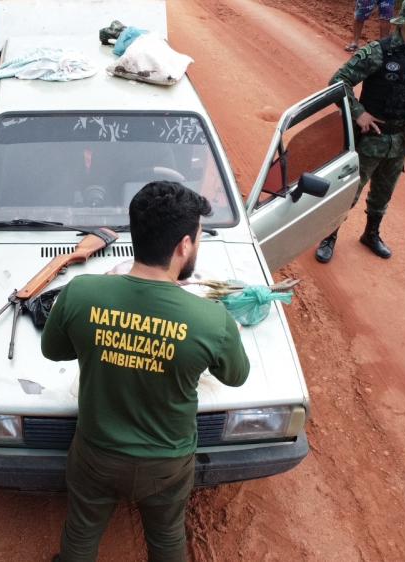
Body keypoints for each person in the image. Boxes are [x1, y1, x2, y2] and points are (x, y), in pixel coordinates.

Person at [42, 181, 250, 562]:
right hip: (167, 464)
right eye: (198, 238)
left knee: (81, 531)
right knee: (168, 535)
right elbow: (236, 376)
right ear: (184, 245)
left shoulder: (81, 292)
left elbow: (53, 350)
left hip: (96, 454)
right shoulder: (211, 319)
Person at [315, 0, 405, 264]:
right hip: (370, 139)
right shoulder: (378, 52)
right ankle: (329, 235)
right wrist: (358, 112)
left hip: (401, 140)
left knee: (384, 191)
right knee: (350, 191)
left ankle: (371, 234)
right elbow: (338, 82)